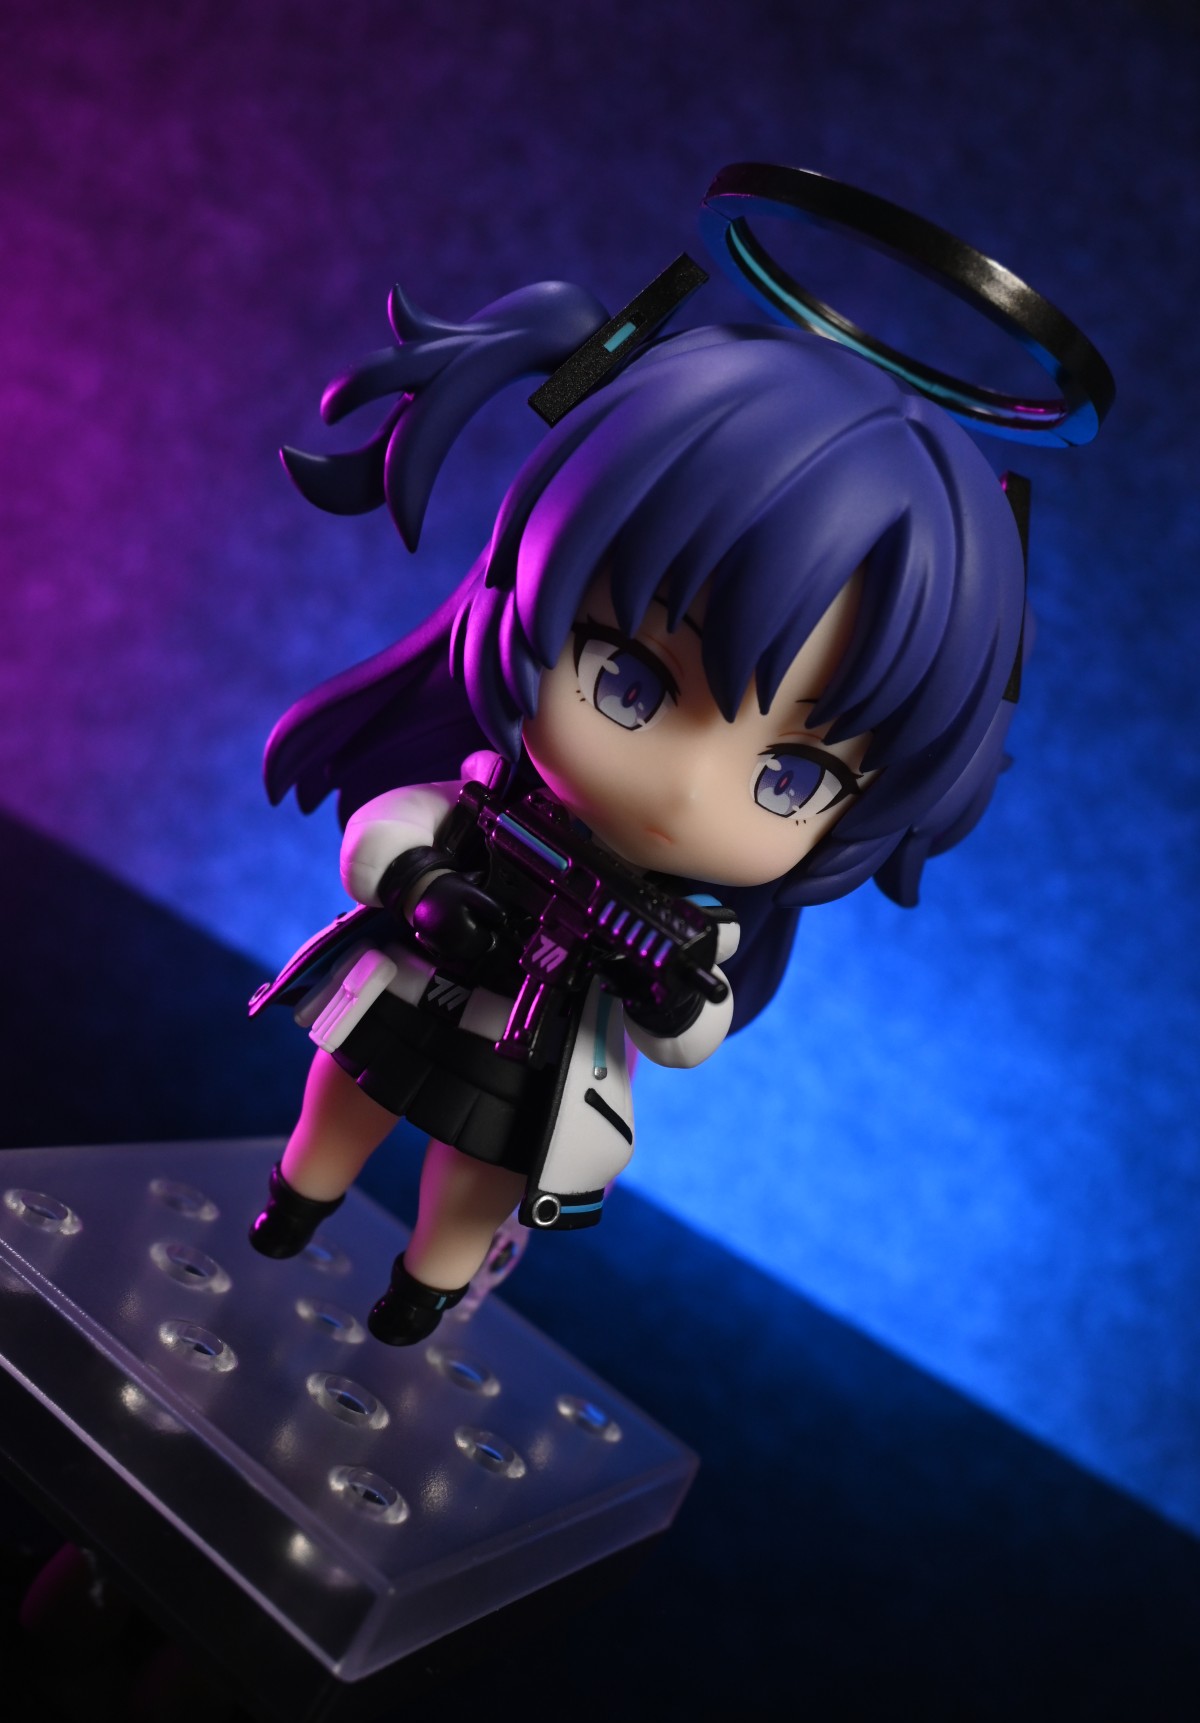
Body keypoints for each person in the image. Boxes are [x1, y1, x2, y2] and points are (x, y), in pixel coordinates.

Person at [248, 281, 1026, 1346]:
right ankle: (297, 1198)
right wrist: (424, 885)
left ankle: (422, 1290)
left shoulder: (691, 924)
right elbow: (389, 829)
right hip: (425, 981)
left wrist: (667, 998)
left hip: (537, 1056)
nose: (686, 788)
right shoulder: (494, 797)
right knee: (348, 1088)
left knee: (482, 1171)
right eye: (629, 681)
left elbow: (693, 1031)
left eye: (789, 778)